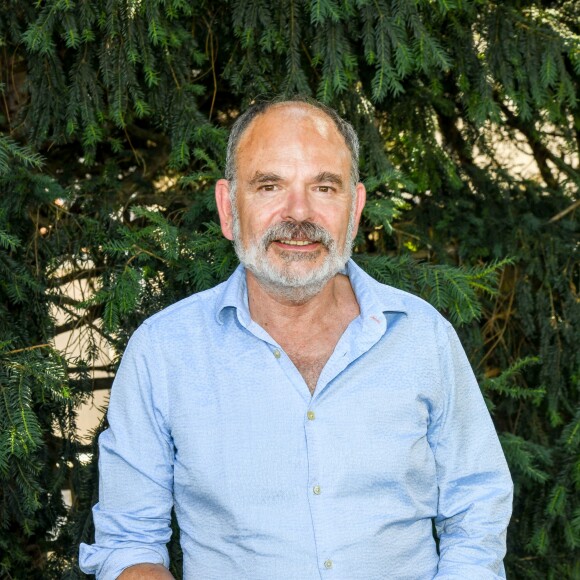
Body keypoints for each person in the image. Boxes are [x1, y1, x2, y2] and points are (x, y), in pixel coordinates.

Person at [79, 98, 513, 579]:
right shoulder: (163, 353)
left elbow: (476, 509)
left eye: (324, 186)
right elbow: (129, 542)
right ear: (228, 209)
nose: (299, 213)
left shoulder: (422, 337)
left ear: (354, 210)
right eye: (269, 185)